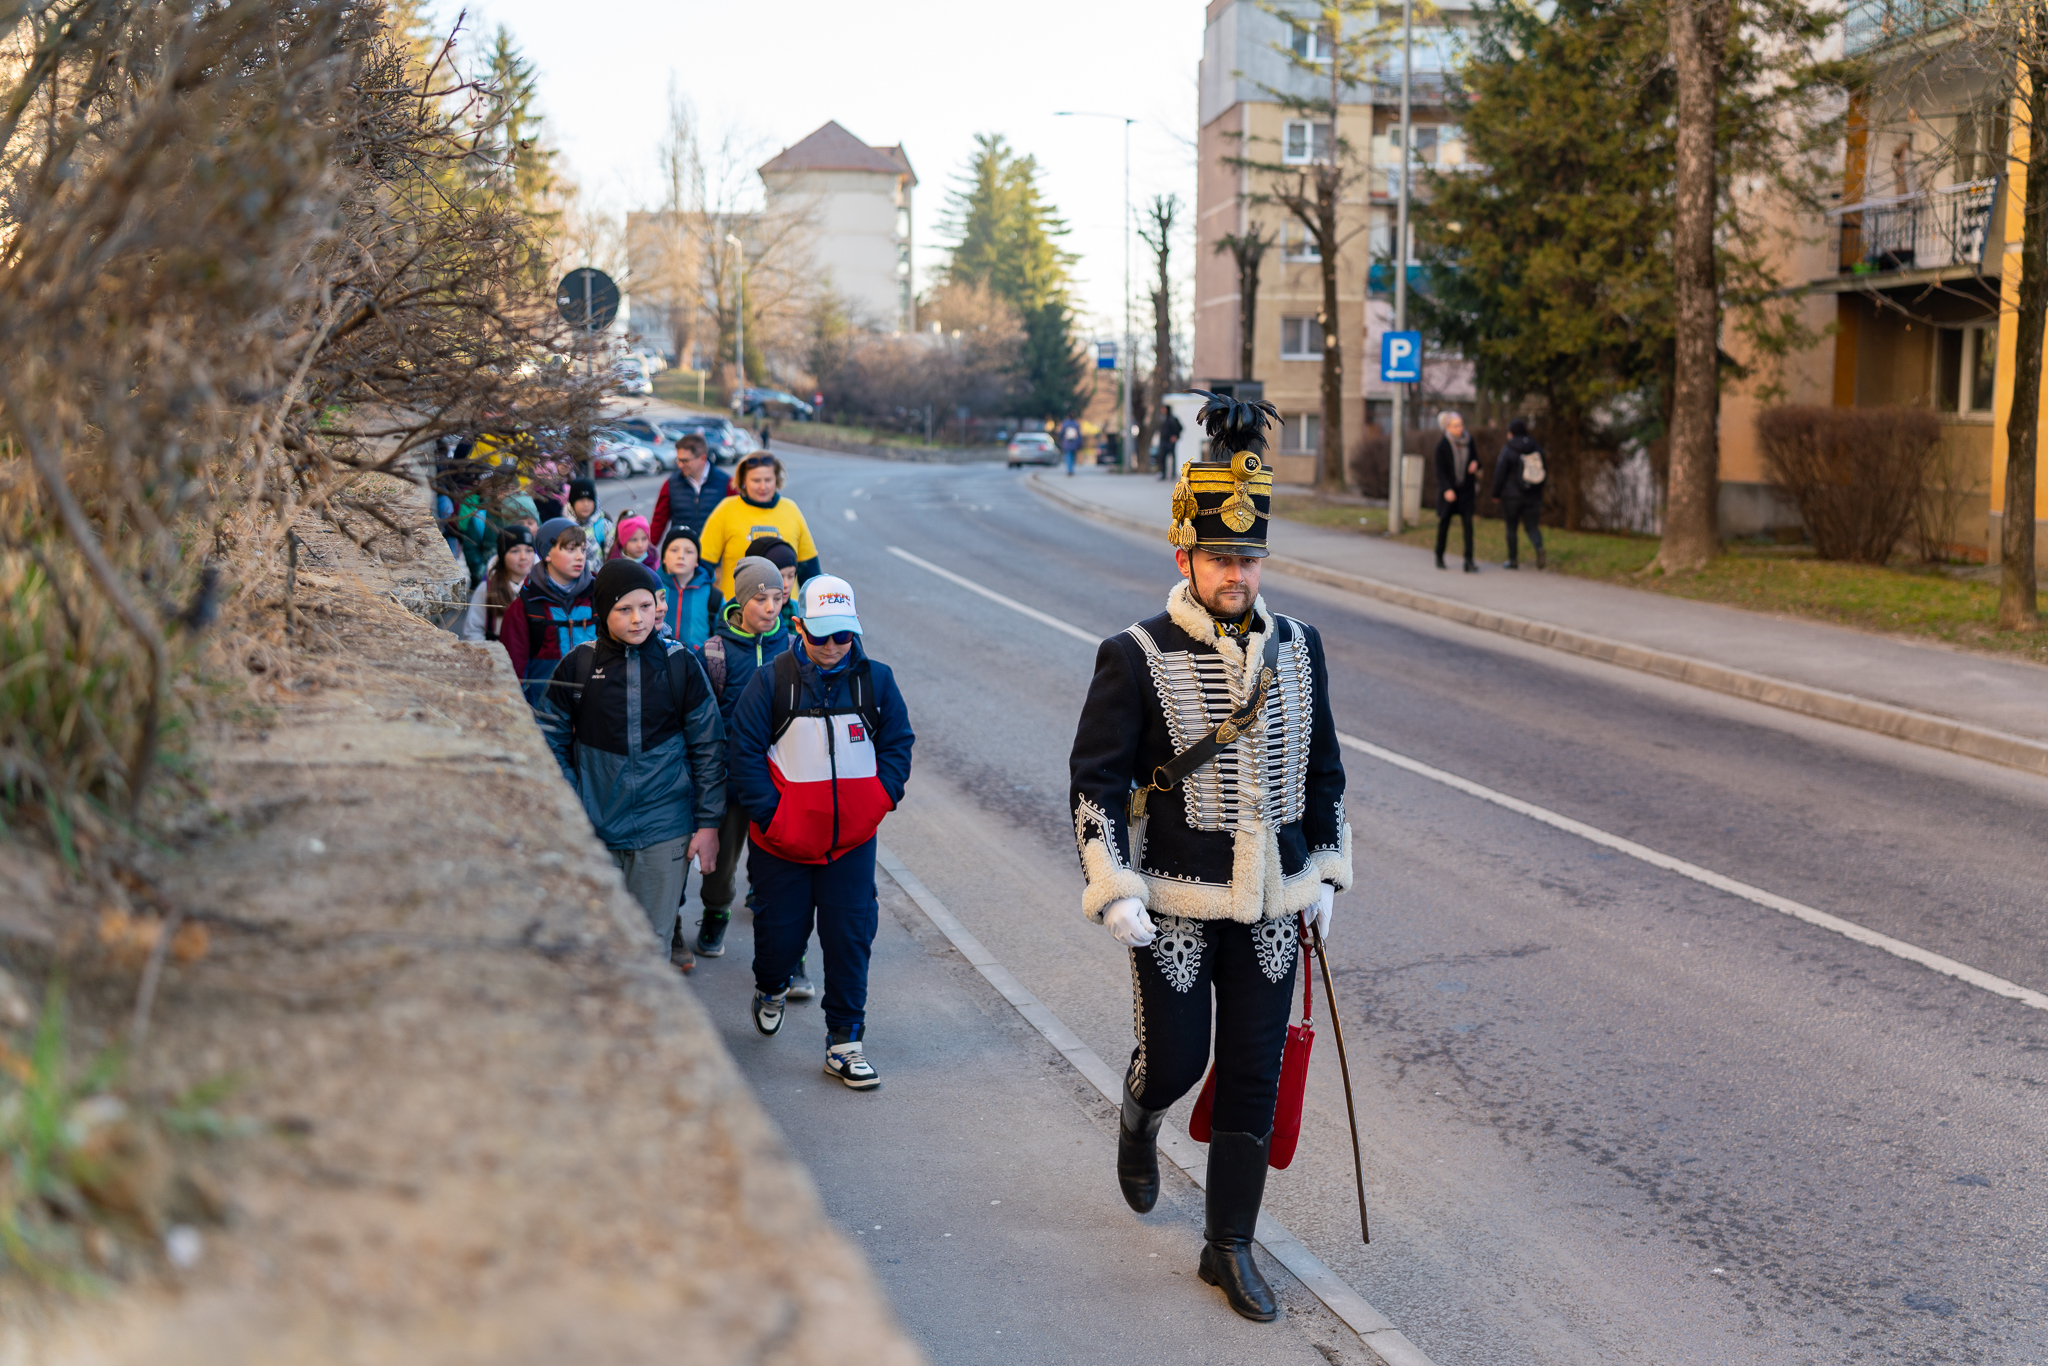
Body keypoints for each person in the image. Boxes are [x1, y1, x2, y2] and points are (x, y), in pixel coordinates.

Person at [1067, 392, 1351, 1323]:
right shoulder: (1134, 652)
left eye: (1250, 558)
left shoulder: (1301, 647)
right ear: (1185, 557)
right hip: (1177, 905)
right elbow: (1095, 785)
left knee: (1256, 1078)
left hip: (1272, 907)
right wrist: (1112, 888)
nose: (1238, 574)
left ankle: (1228, 1246)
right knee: (1180, 1060)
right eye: (1222, 558)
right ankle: (1140, 1115)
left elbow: (1325, 773)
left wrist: (1325, 872)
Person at [728, 574, 913, 1089]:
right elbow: (742, 754)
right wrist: (773, 818)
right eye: (821, 635)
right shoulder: (770, 682)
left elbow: (898, 745)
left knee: (850, 940)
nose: (832, 647)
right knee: (779, 941)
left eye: (843, 636)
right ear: (798, 626)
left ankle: (845, 1043)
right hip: (781, 846)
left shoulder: (877, 680)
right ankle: (771, 987)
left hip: (850, 847)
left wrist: (877, 801)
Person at [537, 559, 726, 972]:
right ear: (603, 611)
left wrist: (708, 824)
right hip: (596, 828)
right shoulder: (578, 665)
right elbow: (546, 736)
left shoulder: (681, 665)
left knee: (650, 950)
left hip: (665, 830)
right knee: (599, 946)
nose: (638, 618)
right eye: (624, 609)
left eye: (645, 606)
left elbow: (709, 746)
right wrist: (574, 800)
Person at [692, 556, 794, 964]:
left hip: (780, 782)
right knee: (720, 865)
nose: (771, 608)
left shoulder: (791, 647)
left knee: (779, 869)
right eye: (760, 599)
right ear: (741, 601)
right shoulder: (715, 653)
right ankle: (715, 912)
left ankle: (784, 946)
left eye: (777, 598)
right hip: (730, 782)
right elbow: (702, 723)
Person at [499, 519, 597, 706]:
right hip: (544, 712)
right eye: (570, 549)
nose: (580, 557)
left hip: (593, 709)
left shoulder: (598, 597)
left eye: (583, 550)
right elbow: (513, 675)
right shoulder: (524, 609)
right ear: (547, 553)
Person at [698, 452, 820, 600]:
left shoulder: (791, 510)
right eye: (756, 480)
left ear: (777, 479)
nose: (763, 487)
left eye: (768, 480)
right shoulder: (726, 509)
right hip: (736, 613)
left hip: (786, 614)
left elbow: (810, 571)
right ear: (743, 480)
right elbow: (703, 568)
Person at [649, 433, 732, 549]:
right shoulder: (670, 484)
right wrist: (647, 553)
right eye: (678, 460)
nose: (680, 465)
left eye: (685, 461)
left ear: (702, 458)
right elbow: (658, 522)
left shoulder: (726, 483)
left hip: (714, 556)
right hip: (681, 556)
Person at [459, 524, 536, 643]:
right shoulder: (487, 589)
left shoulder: (540, 588)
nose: (523, 557)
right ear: (502, 554)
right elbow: (472, 632)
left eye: (529, 550)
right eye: (515, 551)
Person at [1490, 417, 1548, 570]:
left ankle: (1513, 560)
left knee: (1511, 528)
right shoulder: (1535, 447)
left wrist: (1495, 493)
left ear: (1510, 433)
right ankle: (1539, 547)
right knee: (1532, 526)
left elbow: (1500, 474)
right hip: (1533, 494)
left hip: (1512, 496)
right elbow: (1543, 470)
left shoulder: (1508, 449)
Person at [657, 528, 722, 648]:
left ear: (697, 561)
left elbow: (723, 637)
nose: (681, 556)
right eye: (674, 550)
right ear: (663, 558)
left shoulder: (714, 597)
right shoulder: (652, 589)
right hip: (658, 663)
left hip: (698, 664)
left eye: (689, 551)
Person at [1433, 410, 1480, 573]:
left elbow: (1476, 458)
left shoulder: (1469, 440)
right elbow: (1440, 470)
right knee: (1444, 523)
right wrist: (1446, 489)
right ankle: (1439, 555)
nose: (1460, 428)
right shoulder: (1443, 446)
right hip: (1450, 492)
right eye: (1456, 426)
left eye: (1461, 425)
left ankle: (1469, 560)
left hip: (1466, 491)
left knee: (1468, 525)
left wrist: (1475, 464)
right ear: (1448, 427)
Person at [744, 536, 801, 630]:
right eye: (779, 577)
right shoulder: (737, 614)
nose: (786, 584)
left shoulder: (799, 612)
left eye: (791, 576)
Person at [568, 478, 612, 560]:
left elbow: (612, 559)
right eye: (581, 500)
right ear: (572, 502)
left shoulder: (605, 526)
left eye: (589, 499)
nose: (586, 504)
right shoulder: (564, 527)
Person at [1158, 407, 1184, 481]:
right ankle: (1163, 473)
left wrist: (1175, 436)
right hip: (1164, 441)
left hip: (1170, 441)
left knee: (1172, 457)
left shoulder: (1172, 419)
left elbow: (1180, 428)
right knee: (1163, 457)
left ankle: (1172, 474)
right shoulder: (1163, 419)